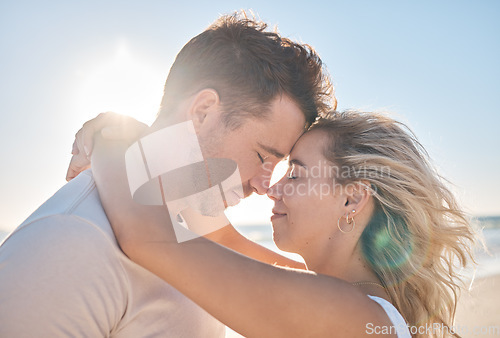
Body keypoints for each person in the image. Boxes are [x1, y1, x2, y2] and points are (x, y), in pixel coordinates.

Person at [0, 12, 333, 337]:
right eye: (263, 156)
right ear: (202, 111)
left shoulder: (194, 217)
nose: (264, 186)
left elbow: (288, 282)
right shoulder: (69, 244)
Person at [85, 110, 476, 337]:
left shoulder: (345, 312)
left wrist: (112, 142)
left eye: (296, 175)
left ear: (352, 198)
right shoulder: (361, 307)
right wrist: (159, 144)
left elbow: (147, 238)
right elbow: (221, 238)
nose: (273, 190)